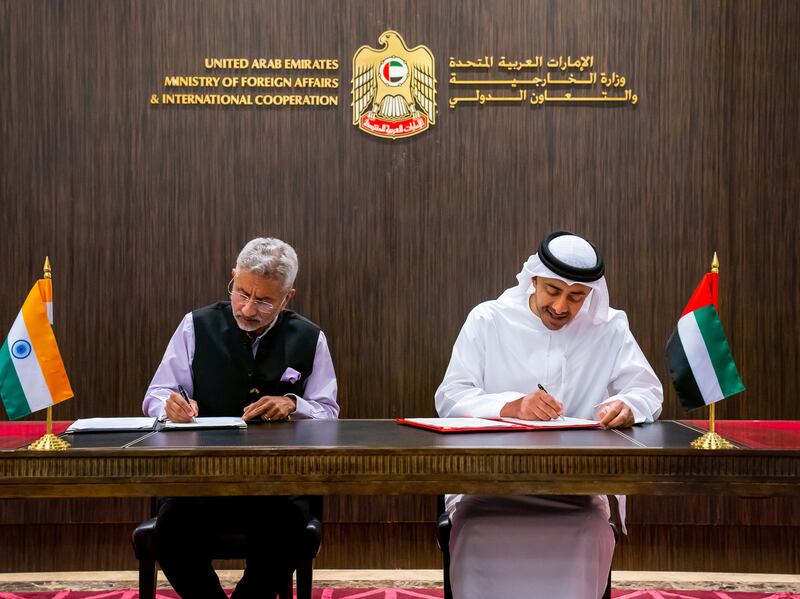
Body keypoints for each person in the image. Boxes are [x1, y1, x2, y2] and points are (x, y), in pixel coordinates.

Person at [435, 231, 663, 599]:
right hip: (490, 485)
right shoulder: (488, 319)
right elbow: (451, 396)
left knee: (590, 531)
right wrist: (511, 407)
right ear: (533, 279)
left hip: (577, 490)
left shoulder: (609, 327)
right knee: (477, 532)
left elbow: (648, 390)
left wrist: (628, 406)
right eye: (552, 291)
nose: (560, 307)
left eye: (576, 297)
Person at [142, 237, 339, 599]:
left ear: (287, 297)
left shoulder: (310, 338)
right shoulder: (194, 326)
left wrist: (294, 404)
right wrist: (169, 406)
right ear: (233, 277)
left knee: (289, 533)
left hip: (275, 489)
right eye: (241, 292)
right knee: (170, 533)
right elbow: (156, 394)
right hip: (199, 484)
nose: (248, 309)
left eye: (264, 300)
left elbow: (328, 412)